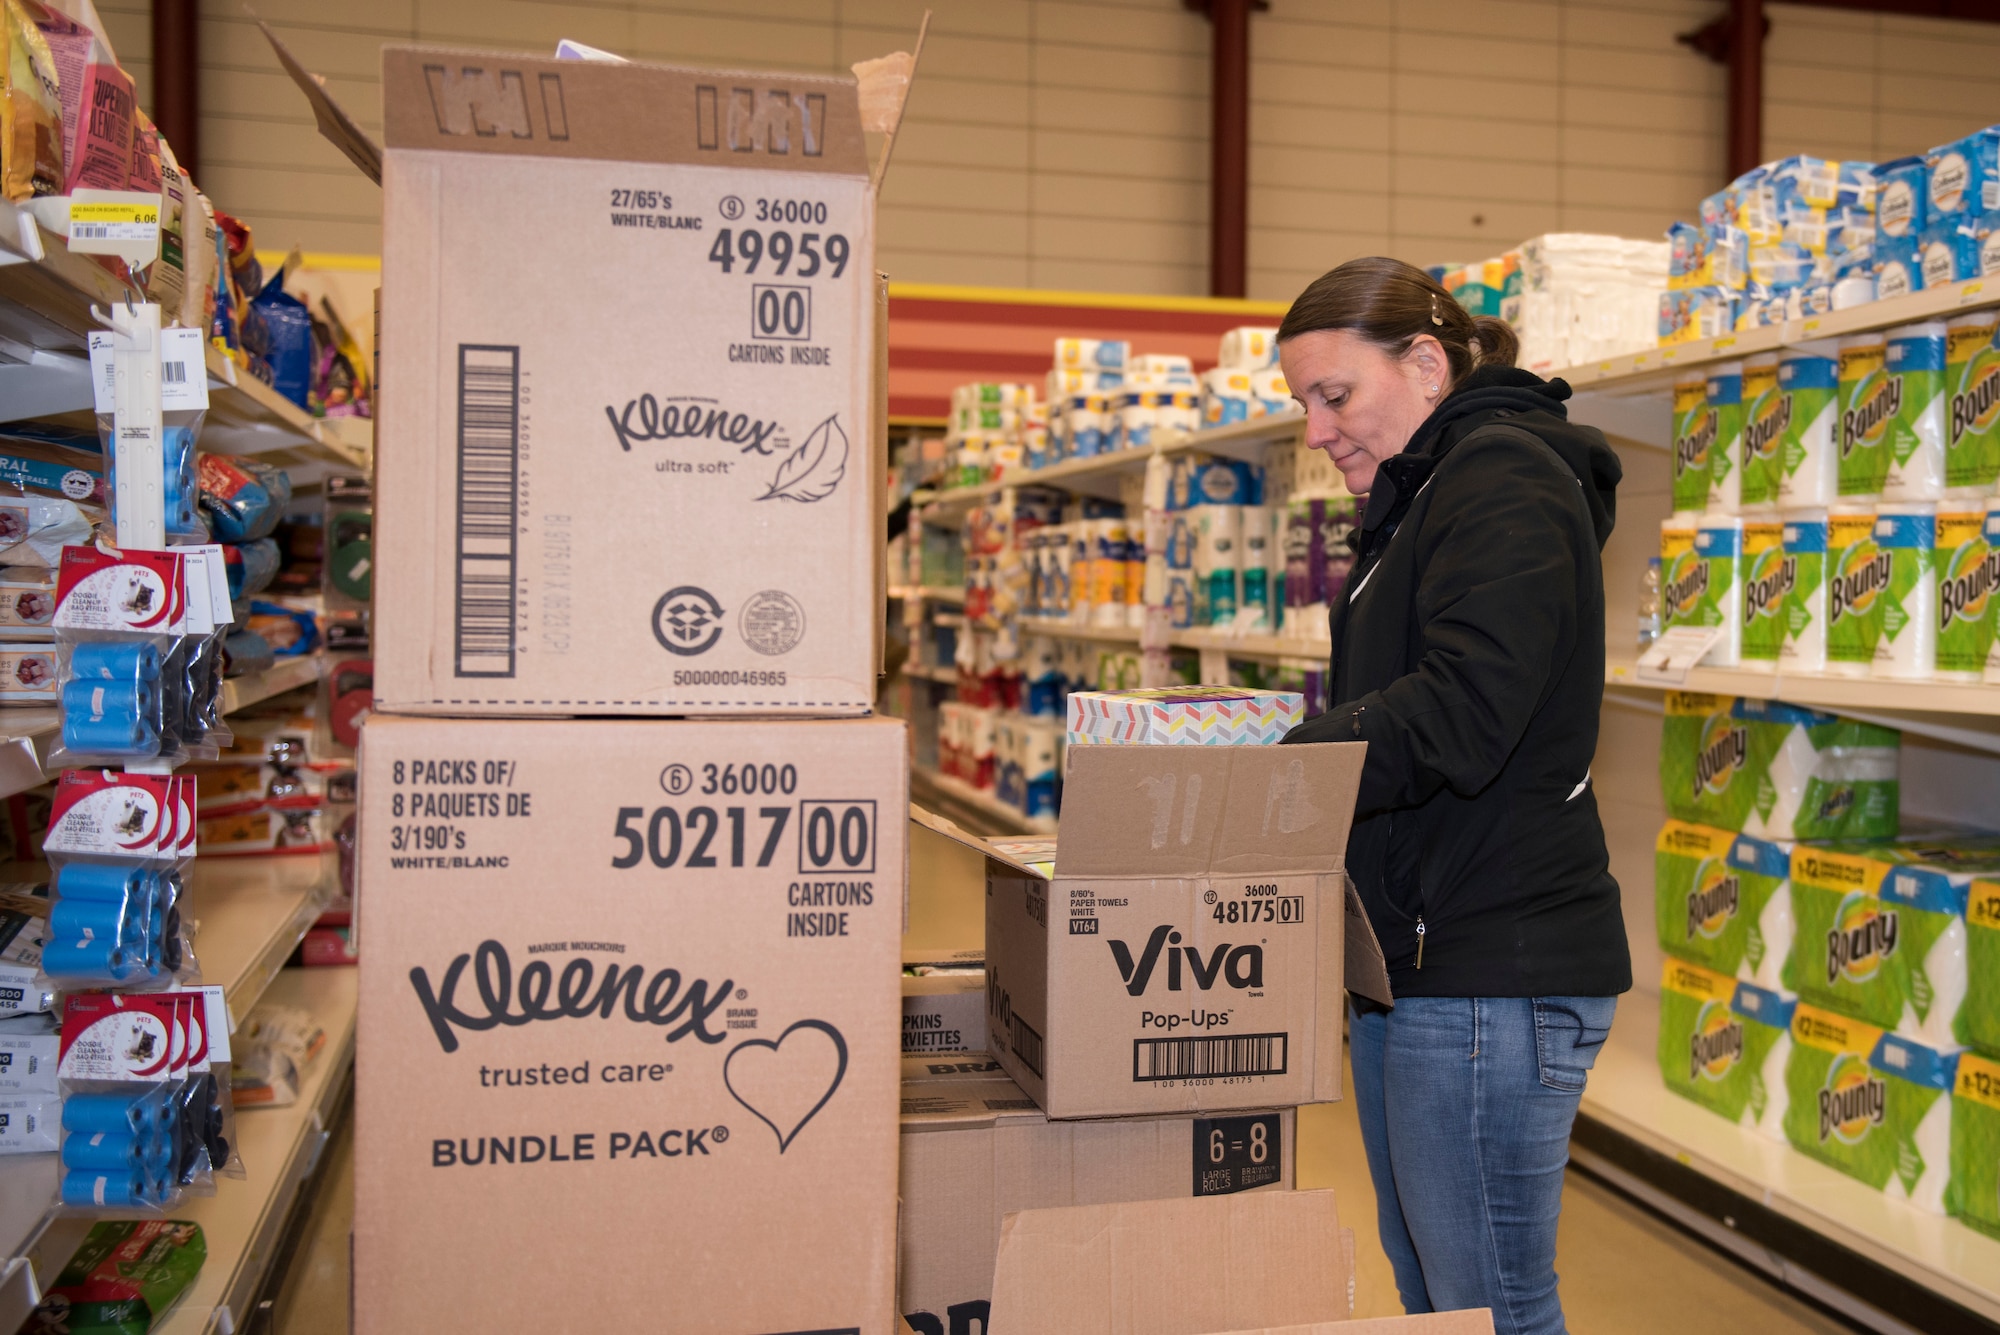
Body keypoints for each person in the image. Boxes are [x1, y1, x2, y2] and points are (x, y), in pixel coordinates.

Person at [1275, 257, 1632, 1335]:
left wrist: (1285, 765)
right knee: (1436, 1292)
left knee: (1485, 1299)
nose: (1314, 429)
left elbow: (1469, 708)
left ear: (1425, 364)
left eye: (1332, 395)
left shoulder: (1500, 476)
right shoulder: (1425, 492)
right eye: (1299, 402)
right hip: (1420, 964)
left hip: (1491, 967)